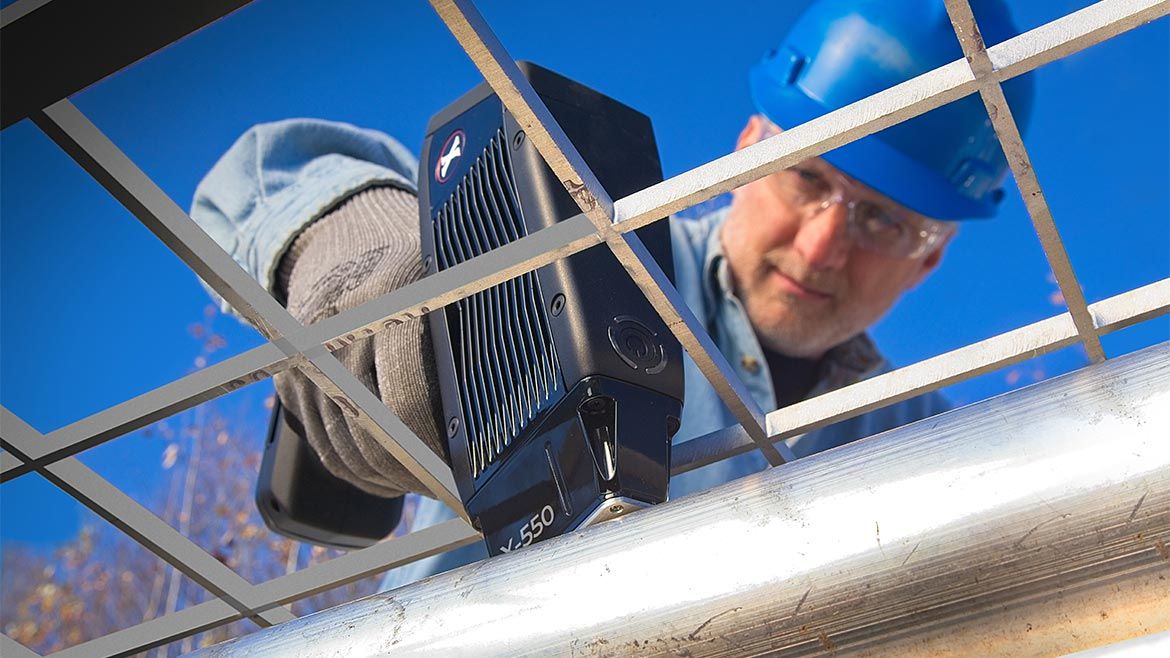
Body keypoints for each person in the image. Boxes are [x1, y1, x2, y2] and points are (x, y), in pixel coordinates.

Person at [189, 0, 1033, 588]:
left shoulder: (934, 445)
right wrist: (364, 268)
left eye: (883, 221)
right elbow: (262, 173)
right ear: (749, 145)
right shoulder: (606, 253)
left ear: (929, 260)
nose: (821, 247)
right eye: (808, 176)